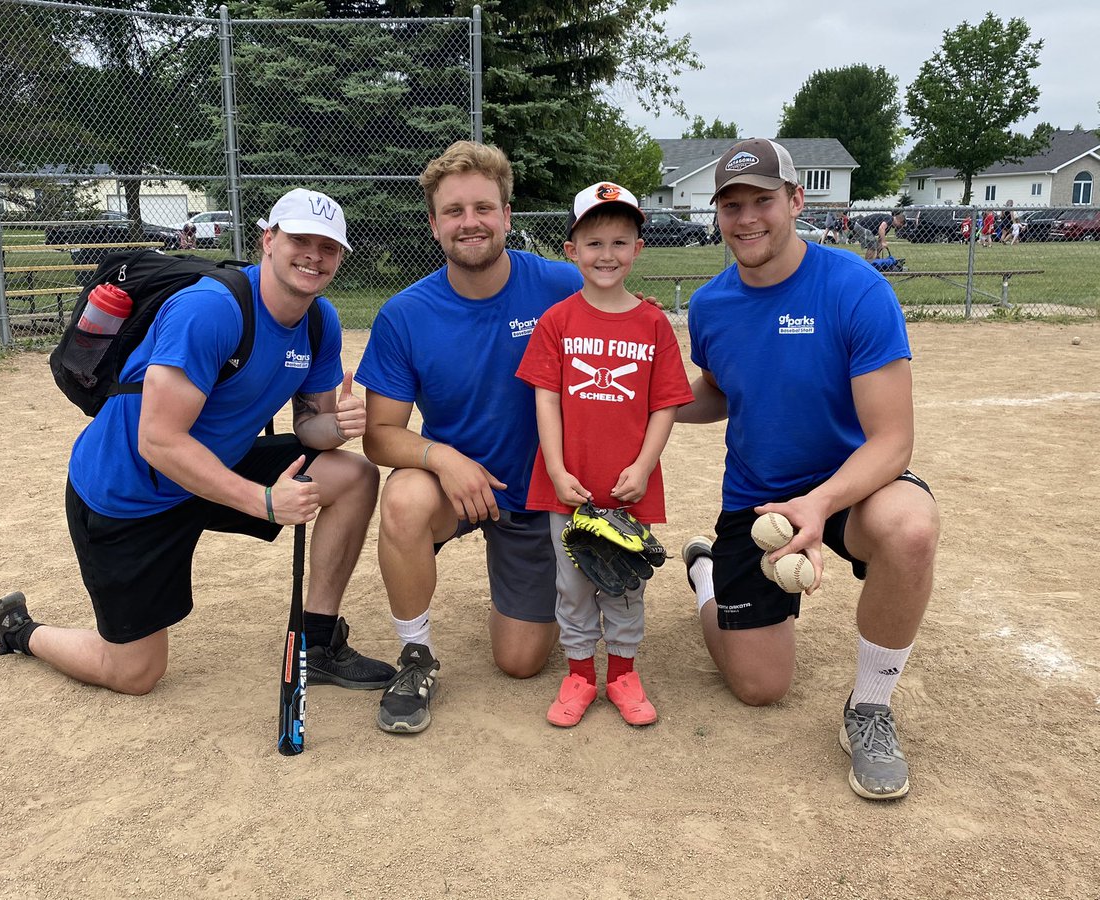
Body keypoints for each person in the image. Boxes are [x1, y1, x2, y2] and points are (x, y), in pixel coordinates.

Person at [0, 188, 395, 696]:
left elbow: (311, 427)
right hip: (130, 494)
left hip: (216, 466)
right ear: (269, 240)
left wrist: (339, 427)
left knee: (352, 475)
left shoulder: (318, 320)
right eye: (300, 239)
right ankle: (19, 629)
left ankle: (318, 642)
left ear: (340, 258)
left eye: (328, 247)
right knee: (133, 674)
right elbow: (159, 442)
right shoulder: (210, 310)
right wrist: (264, 501)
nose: (314, 254)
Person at [676, 139, 941, 800]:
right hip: (758, 503)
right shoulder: (710, 305)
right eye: (731, 205)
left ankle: (871, 709)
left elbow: (892, 442)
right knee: (760, 689)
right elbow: (717, 392)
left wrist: (820, 504)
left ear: (796, 200)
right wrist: (648, 407)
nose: (746, 218)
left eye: (762, 200)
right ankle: (708, 574)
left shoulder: (854, 288)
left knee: (910, 527)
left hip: (851, 489)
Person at [354, 141, 588, 735]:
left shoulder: (562, 288)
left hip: (535, 495)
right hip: (453, 488)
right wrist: (443, 457)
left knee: (520, 662)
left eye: (484, 208)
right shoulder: (406, 314)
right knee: (404, 496)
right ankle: (415, 656)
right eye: (454, 211)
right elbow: (380, 437)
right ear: (434, 225)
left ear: (508, 216)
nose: (470, 223)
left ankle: (536, 588)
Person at [515, 182, 694, 728]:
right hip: (567, 484)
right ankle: (578, 674)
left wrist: (642, 467)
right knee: (571, 582)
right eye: (593, 243)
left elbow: (665, 404)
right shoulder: (557, 322)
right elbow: (546, 401)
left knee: (624, 579)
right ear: (571, 250)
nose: (607, 255)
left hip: (625, 488)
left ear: (639, 248)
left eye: (620, 242)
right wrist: (555, 468)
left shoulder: (654, 324)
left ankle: (621, 673)